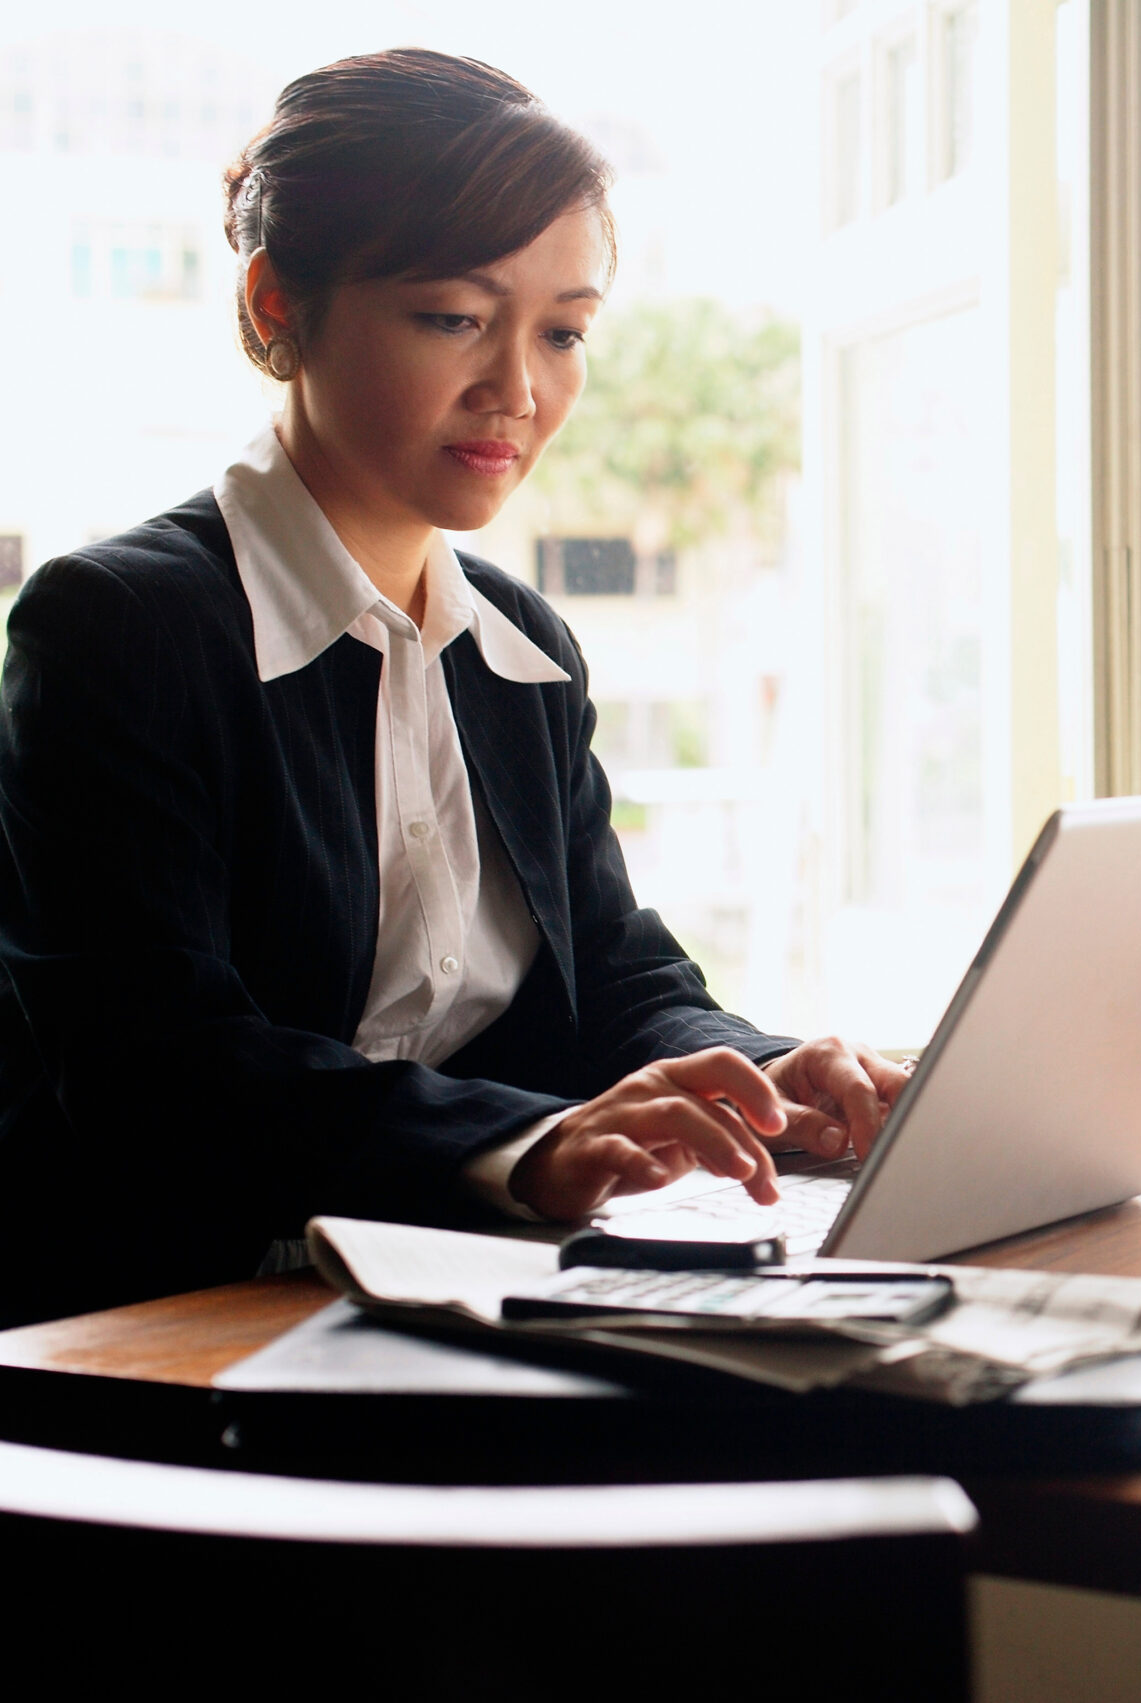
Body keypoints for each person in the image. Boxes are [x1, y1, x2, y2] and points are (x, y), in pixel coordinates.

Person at [0, 49, 907, 1327]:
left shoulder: (519, 649)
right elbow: (160, 1065)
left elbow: (616, 978)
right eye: (454, 317)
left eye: (563, 331)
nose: (520, 391)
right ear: (277, 303)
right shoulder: (122, 625)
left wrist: (768, 1077)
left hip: (444, 1298)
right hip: (158, 1319)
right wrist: (527, 1148)